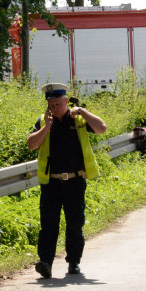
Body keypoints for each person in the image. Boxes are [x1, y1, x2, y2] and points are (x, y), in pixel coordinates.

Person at [27, 83, 107, 278]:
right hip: (51, 183)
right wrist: (47, 127)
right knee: (48, 224)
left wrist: (83, 112)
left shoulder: (78, 119)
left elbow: (102, 129)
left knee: (74, 223)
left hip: (75, 181)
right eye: (50, 105)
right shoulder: (44, 121)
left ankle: (73, 262)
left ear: (66, 102)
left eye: (57, 104)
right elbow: (31, 144)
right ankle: (45, 262)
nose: (54, 108)